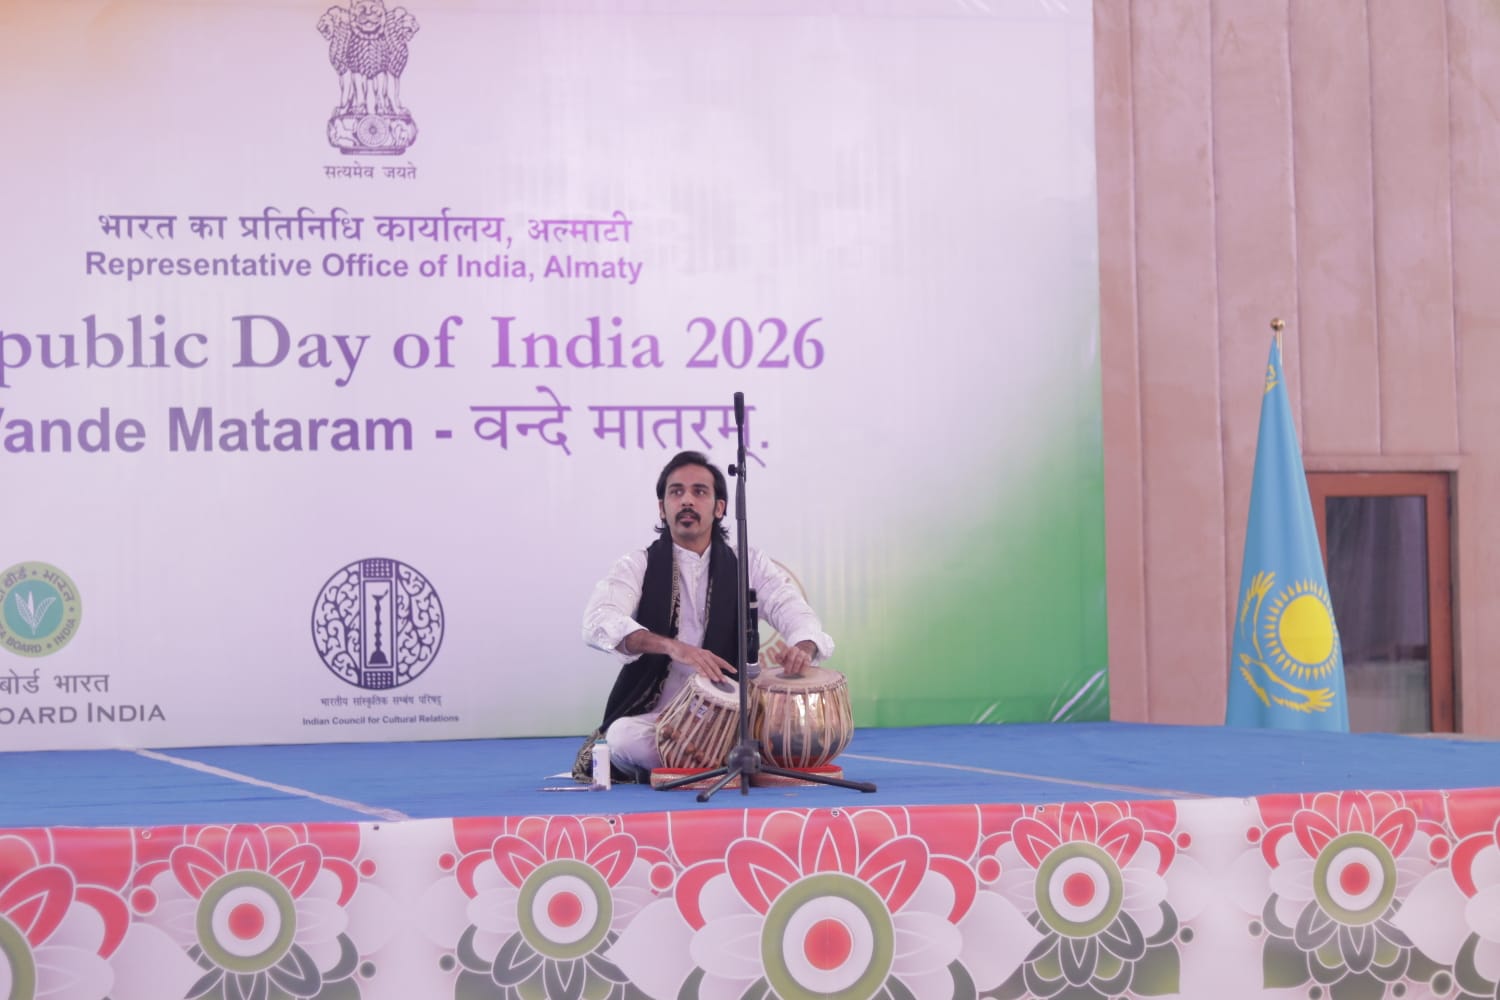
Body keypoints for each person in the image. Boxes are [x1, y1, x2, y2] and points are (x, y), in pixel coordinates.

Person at [574, 450, 834, 783]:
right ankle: (721, 763)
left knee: (791, 730)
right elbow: (599, 620)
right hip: (658, 720)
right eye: (676, 492)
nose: (687, 500)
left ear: (719, 507)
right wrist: (672, 647)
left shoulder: (748, 563)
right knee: (622, 737)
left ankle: (688, 765)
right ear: (662, 508)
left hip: (729, 718)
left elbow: (791, 609)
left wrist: (804, 646)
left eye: (699, 492)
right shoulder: (638, 565)